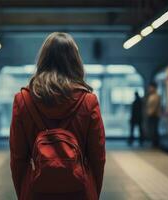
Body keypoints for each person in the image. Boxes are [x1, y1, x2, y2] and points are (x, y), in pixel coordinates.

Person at [10, 32, 106, 200]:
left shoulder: (23, 100)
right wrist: (91, 192)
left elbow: (18, 159)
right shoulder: (89, 101)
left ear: (43, 59)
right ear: (75, 61)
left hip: (36, 192)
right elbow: (97, 158)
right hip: (79, 192)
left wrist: (25, 193)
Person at [146, 82, 160, 147]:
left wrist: (151, 113)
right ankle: (153, 142)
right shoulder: (151, 96)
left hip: (154, 115)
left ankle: (155, 143)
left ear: (154, 88)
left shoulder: (156, 96)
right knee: (152, 129)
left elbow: (155, 106)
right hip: (151, 115)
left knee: (154, 129)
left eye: (150, 87)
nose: (149, 89)